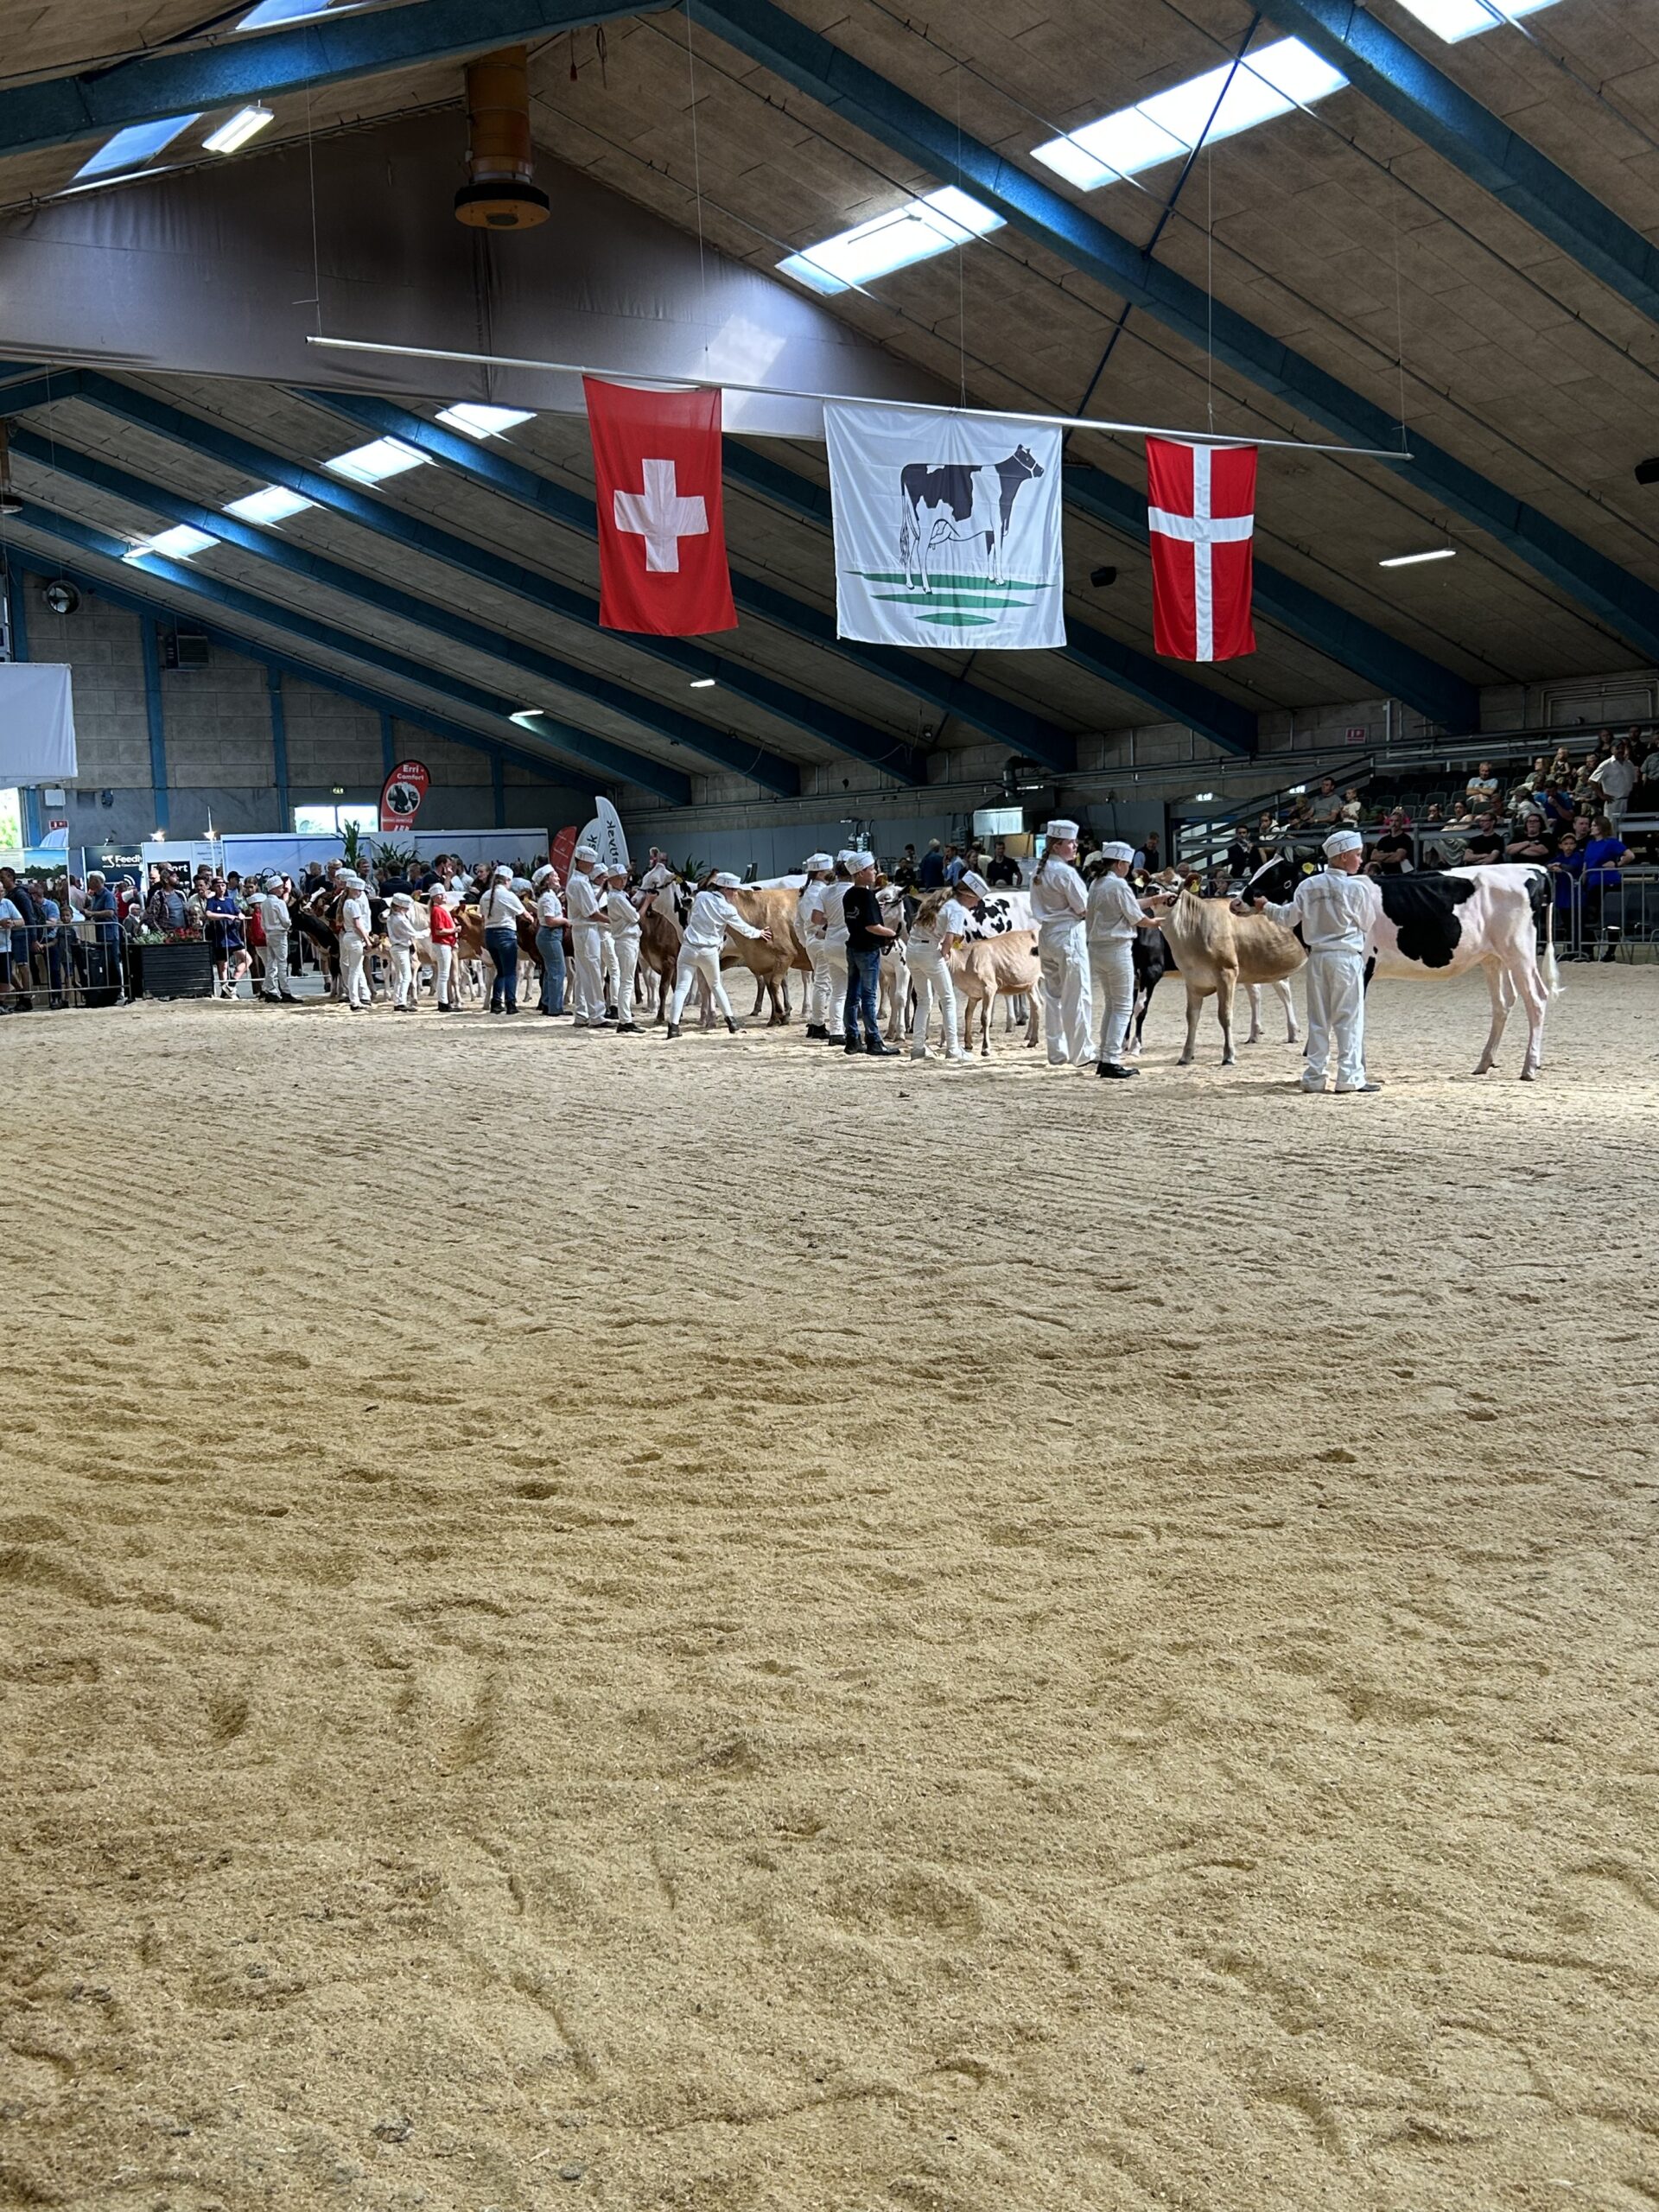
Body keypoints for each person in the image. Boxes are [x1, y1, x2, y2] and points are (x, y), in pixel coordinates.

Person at [1246, 828, 1382, 1094]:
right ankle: (1349, 1077)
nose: (1360, 860)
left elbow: (1288, 917)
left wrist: (1265, 907)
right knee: (1348, 1018)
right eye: (1357, 854)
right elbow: (1367, 922)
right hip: (1345, 957)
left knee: (1318, 1020)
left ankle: (1315, 1077)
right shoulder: (1357, 888)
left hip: (1317, 957)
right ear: (1343, 856)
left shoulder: (1309, 886)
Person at [666, 873, 768, 1037]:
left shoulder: (701, 897)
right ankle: (731, 1022)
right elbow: (743, 929)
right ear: (725, 889)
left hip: (688, 948)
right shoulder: (728, 909)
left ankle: (673, 1027)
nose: (736, 893)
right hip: (709, 951)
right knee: (716, 985)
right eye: (734, 890)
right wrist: (759, 933)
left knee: (681, 988)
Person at [1086, 842, 1155, 1079]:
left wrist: (1154, 900)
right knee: (1123, 1006)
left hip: (1098, 948)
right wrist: (1155, 923)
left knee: (1112, 1004)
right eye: (1127, 864)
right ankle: (1111, 1060)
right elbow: (1136, 917)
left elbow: (1126, 906)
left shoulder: (1097, 883)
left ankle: (1105, 1055)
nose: (1129, 869)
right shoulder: (1119, 885)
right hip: (1117, 948)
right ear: (1119, 864)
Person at [1030, 818, 1093, 1067]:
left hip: (1047, 934)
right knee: (1078, 995)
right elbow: (1084, 907)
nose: (1075, 846)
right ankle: (1082, 1054)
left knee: (1054, 996)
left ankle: (1057, 1052)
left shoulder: (1038, 872)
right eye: (1071, 842)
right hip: (1068, 934)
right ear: (1057, 846)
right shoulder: (1066, 873)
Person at [906, 873, 980, 1062]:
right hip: (930, 951)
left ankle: (918, 1047)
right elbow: (950, 938)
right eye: (976, 899)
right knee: (948, 999)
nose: (976, 904)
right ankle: (953, 1049)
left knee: (923, 999)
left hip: (912, 949)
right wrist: (945, 954)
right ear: (968, 895)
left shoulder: (935, 901)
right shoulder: (956, 909)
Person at [839, 853, 896, 1056]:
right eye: (871, 869)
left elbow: (858, 917)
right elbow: (872, 926)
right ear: (861, 872)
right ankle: (873, 1039)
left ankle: (852, 1038)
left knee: (852, 994)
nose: (875, 873)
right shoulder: (867, 896)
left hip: (853, 946)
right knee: (869, 996)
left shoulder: (849, 895)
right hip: (868, 948)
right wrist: (891, 933)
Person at [564, 845, 607, 1027]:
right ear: (580, 862)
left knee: (583, 973)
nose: (592, 867)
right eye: (590, 864)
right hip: (587, 929)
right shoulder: (580, 883)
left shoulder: (578, 881)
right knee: (593, 972)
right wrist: (613, 921)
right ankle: (597, 1015)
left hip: (580, 929)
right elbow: (591, 913)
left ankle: (582, 1013)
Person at [795, 853, 836, 1039]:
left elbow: (798, 923)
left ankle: (815, 1021)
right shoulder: (822, 893)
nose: (832, 872)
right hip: (823, 939)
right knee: (823, 984)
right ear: (820, 873)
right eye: (829, 870)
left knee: (821, 982)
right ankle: (818, 1024)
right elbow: (822, 919)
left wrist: (805, 942)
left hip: (812, 940)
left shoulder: (804, 893)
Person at [814, 855, 853, 1046]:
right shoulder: (857, 890)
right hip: (849, 942)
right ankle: (851, 1029)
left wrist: (831, 919)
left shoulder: (825, 891)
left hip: (830, 943)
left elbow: (815, 919)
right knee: (855, 990)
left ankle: (836, 1031)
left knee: (838, 990)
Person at [479, 864, 526, 1014]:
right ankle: (511, 1003)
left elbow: (482, 916)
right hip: (506, 934)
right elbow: (524, 914)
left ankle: (496, 1002)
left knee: (500, 970)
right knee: (510, 971)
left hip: (490, 935)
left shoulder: (485, 895)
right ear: (507, 880)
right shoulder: (508, 895)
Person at [1581, 814, 1630, 960]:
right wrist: (1583, 879)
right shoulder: (1590, 844)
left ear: (1601, 827)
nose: (1591, 828)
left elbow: (1630, 855)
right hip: (1593, 882)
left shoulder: (1611, 842)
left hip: (1609, 882)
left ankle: (1611, 951)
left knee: (1611, 917)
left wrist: (1616, 864)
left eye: (1594, 825)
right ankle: (1589, 949)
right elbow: (1586, 864)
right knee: (1590, 917)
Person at [604, 864, 643, 1033]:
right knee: (626, 981)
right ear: (611, 880)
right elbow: (635, 917)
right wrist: (648, 902)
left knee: (627, 980)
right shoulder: (616, 898)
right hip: (626, 940)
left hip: (629, 940)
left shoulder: (620, 895)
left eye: (625, 878)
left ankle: (625, 1018)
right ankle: (625, 1020)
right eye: (619, 878)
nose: (623, 881)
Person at [531, 865, 567, 1018]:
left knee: (551, 970)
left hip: (549, 935)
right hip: (550, 934)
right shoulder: (547, 898)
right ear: (547, 880)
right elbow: (550, 920)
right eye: (554, 876)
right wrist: (566, 921)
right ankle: (555, 1007)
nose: (558, 878)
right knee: (558, 970)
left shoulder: (550, 896)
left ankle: (547, 1003)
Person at [256, 874, 296, 1001]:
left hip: (269, 934)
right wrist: (288, 926)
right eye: (280, 887)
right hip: (280, 933)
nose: (282, 889)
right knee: (282, 963)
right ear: (274, 888)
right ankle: (285, 991)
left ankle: (269, 989)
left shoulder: (264, 903)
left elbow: (262, 922)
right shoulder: (279, 903)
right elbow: (285, 921)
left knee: (271, 963)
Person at [1589, 739, 1637, 830]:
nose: (1620, 750)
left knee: (1627, 828)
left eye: (1622, 748)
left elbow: (1634, 781)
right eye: (1617, 748)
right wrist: (1602, 796)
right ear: (1612, 750)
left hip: (1628, 801)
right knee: (1612, 828)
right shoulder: (1606, 764)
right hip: (1613, 802)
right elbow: (1592, 780)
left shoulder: (1629, 764)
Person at [384, 892, 420, 1010]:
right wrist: (427, 932)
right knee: (406, 976)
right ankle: (401, 1002)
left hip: (396, 948)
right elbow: (413, 933)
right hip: (401, 948)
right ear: (400, 907)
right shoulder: (400, 919)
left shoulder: (391, 917)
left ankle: (398, 1001)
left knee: (400, 976)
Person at [427, 882, 459, 1010]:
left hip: (445, 943)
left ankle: (444, 1001)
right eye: (441, 895)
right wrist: (454, 930)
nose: (444, 896)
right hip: (442, 943)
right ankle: (443, 1002)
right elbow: (439, 930)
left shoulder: (440, 909)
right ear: (435, 898)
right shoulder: (437, 910)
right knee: (444, 974)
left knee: (444, 974)